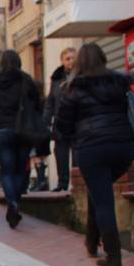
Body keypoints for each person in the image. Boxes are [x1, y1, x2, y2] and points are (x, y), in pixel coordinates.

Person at [56, 43, 134, 266]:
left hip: (92, 150)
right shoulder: (119, 84)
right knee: (98, 190)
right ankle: (91, 242)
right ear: (103, 58)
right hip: (123, 148)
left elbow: (62, 126)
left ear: (79, 62)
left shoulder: (73, 88)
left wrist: (75, 139)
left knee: (103, 201)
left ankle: (114, 257)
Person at [0, 50, 42, 229]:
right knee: (20, 169)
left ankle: (12, 202)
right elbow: (37, 104)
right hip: (23, 130)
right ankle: (15, 201)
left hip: (3, 130)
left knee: (6, 170)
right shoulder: (26, 80)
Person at [45, 47, 76, 191]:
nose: (71, 61)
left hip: (78, 122)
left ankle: (78, 184)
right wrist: (46, 120)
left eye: (73, 58)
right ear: (62, 61)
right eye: (67, 59)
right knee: (61, 154)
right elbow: (50, 101)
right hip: (60, 122)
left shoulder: (82, 76)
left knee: (78, 155)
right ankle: (62, 183)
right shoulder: (56, 79)